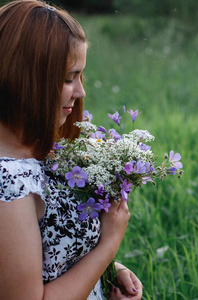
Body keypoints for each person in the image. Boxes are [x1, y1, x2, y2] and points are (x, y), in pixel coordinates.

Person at [0, 1, 143, 299]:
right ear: (27, 79)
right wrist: (108, 247)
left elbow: (45, 257)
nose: (80, 92)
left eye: (80, 76)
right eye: (68, 78)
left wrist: (110, 271)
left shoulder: (39, 150)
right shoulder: (9, 184)